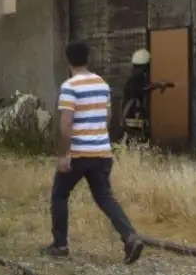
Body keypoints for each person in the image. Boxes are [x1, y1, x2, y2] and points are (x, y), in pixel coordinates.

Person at [43, 40, 144, 263]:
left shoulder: (69, 87)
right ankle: (130, 236)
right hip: (102, 153)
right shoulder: (102, 84)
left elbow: (65, 125)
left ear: (67, 61)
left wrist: (64, 155)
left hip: (79, 154)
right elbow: (107, 117)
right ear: (88, 59)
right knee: (105, 197)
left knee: (59, 195)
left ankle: (60, 245)